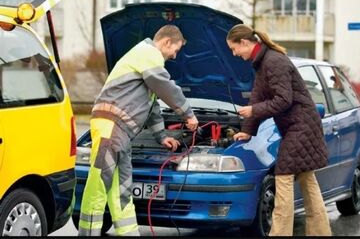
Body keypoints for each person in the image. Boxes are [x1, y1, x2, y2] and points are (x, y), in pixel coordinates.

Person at [78, 25, 199, 236]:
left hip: (120, 132)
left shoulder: (146, 62)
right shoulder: (147, 53)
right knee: (98, 187)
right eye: (175, 50)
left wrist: (162, 136)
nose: (174, 55)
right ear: (166, 42)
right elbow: (166, 87)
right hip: (110, 126)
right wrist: (188, 114)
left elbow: (152, 106)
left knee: (122, 191)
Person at [226, 24, 332, 236]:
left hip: (300, 127)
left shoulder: (273, 61)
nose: (234, 54)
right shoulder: (263, 62)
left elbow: (284, 100)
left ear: (244, 43)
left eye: (234, 48)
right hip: (298, 126)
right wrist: (248, 130)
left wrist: (253, 110)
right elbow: (258, 96)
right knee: (308, 182)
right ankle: (320, 233)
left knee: (283, 177)